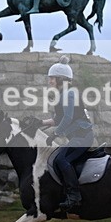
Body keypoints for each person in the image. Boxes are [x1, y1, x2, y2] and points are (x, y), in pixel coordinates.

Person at [40, 56, 93, 212]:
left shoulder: (69, 94)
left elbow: (68, 118)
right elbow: (58, 119)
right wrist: (39, 123)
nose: (49, 81)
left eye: (52, 78)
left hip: (82, 136)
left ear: (61, 79)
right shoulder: (64, 94)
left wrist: (55, 134)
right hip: (77, 136)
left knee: (61, 160)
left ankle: (74, 196)